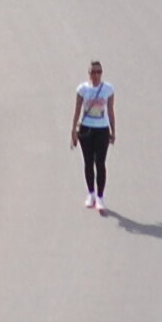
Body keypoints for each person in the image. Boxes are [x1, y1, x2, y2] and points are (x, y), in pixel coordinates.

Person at [69, 60, 117, 213]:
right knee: (88, 162)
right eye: (93, 72)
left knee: (100, 163)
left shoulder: (108, 89)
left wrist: (113, 130)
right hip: (86, 129)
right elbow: (77, 110)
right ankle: (91, 194)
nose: (96, 75)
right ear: (89, 73)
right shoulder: (82, 89)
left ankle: (100, 197)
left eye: (99, 72)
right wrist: (73, 131)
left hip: (102, 129)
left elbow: (110, 110)